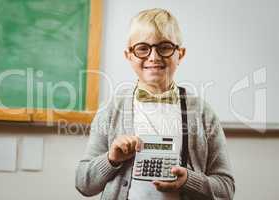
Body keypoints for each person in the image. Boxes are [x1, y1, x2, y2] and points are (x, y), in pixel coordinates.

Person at [75, 8, 235, 200]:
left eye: (165, 47)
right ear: (129, 55)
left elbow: (226, 189)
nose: (153, 57)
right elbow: (84, 184)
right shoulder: (111, 109)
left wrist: (188, 180)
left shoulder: (202, 112)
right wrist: (111, 159)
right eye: (142, 48)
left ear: (180, 54)